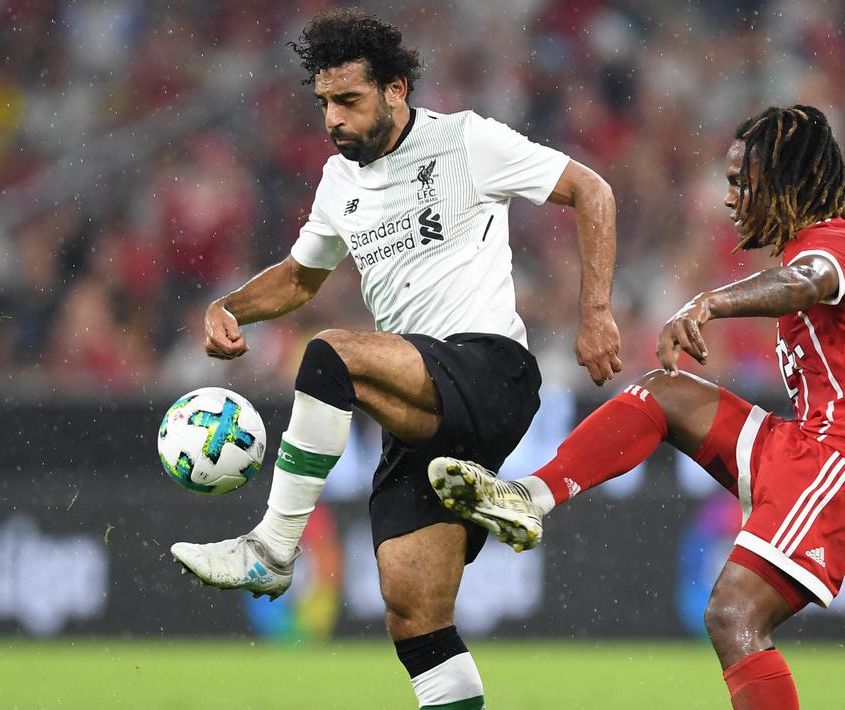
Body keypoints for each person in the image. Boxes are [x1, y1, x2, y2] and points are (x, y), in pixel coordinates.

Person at [169, 9, 623, 710]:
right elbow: (298, 278)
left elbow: (591, 190)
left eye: (348, 101)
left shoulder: (466, 139)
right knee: (415, 619)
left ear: (396, 89)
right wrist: (227, 306)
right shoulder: (336, 182)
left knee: (331, 356)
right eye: (324, 104)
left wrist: (594, 313)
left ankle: (271, 546)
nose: (334, 120)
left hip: (488, 369)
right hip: (422, 409)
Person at [430, 105, 845, 709]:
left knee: (733, 614)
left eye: (742, 181)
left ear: (785, 177)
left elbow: (807, 282)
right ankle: (529, 499)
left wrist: (709, 303)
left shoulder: (833, 246)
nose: (731, 198)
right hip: (816, 446)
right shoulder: (823, 245)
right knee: (662, 394)